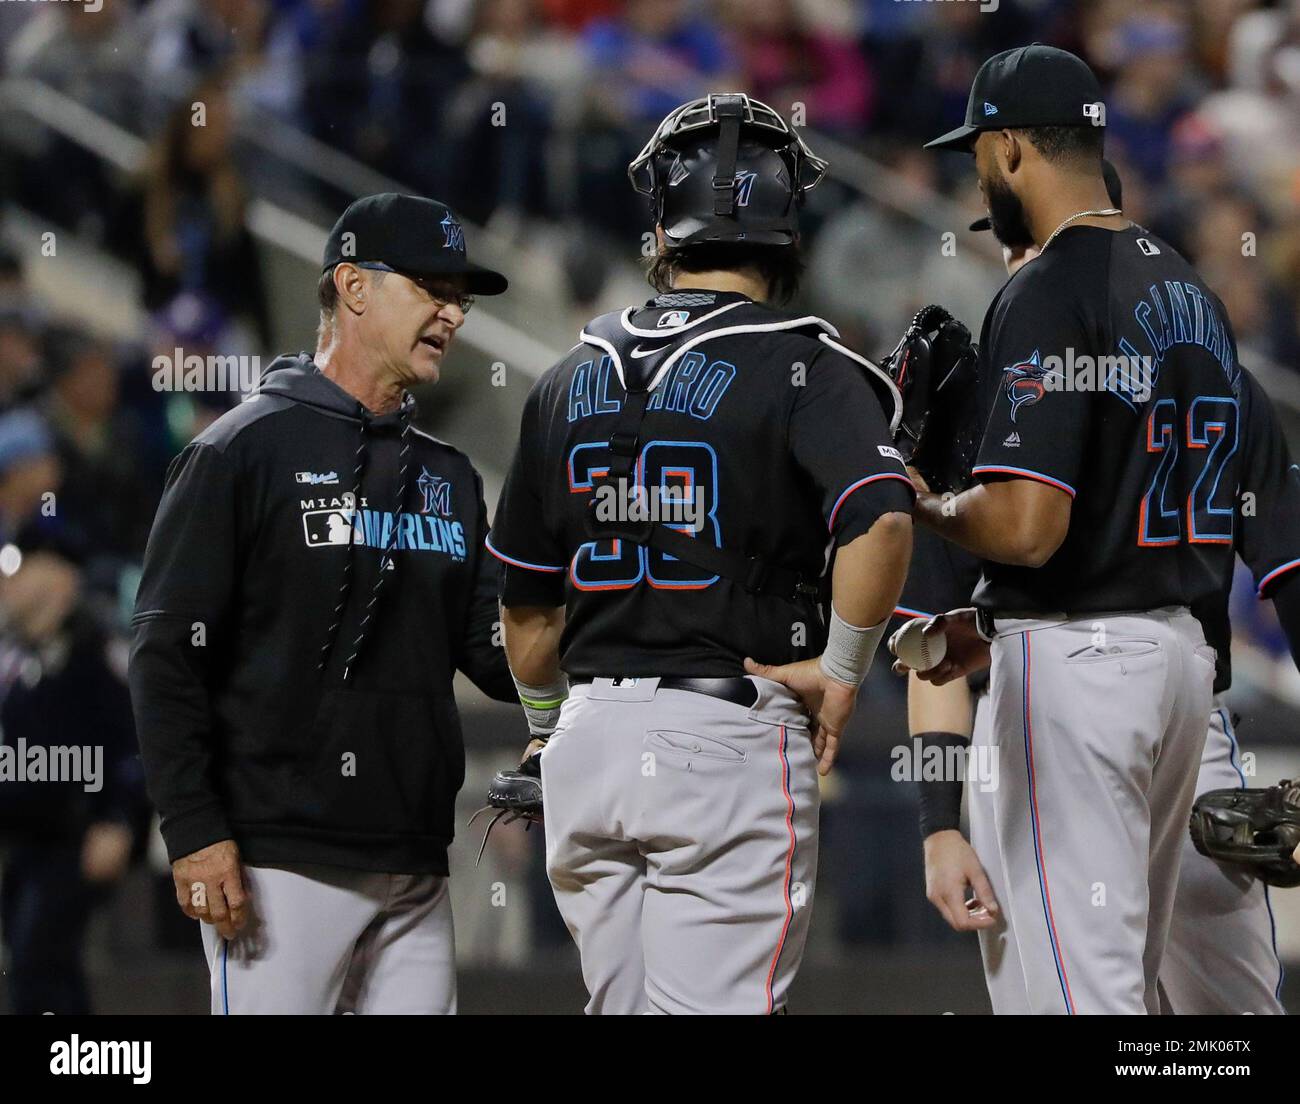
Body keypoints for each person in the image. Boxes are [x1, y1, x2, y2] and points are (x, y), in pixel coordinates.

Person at [488, 93, 914, 1014]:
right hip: (721, 735)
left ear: (660, 228)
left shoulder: (566, 375)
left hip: (588, 749)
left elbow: (525, 610)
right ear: (788, 227)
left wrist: (546, 724)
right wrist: (842, 673)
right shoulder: (806, 361)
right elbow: (881, 522)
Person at [906, 45, 1251, 1014]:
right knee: (1134, 997)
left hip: (1077, 667)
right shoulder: (1187, 287)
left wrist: (919, 501)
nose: (977, 173)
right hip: (1181, 666)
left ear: (1011, 147)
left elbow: (1024, 527)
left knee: (1073, 999)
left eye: (980, 152)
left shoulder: (1048, 286)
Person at [128, 193, 515, 1015]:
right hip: (276, 858)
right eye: (431, 287)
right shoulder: (239, 451)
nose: (452, 311)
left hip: (413, 862)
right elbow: (166, 656)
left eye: (460, 297)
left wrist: (610, 616)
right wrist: (194, 831)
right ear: (354, 286)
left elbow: (495, 656)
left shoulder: (450, 476)